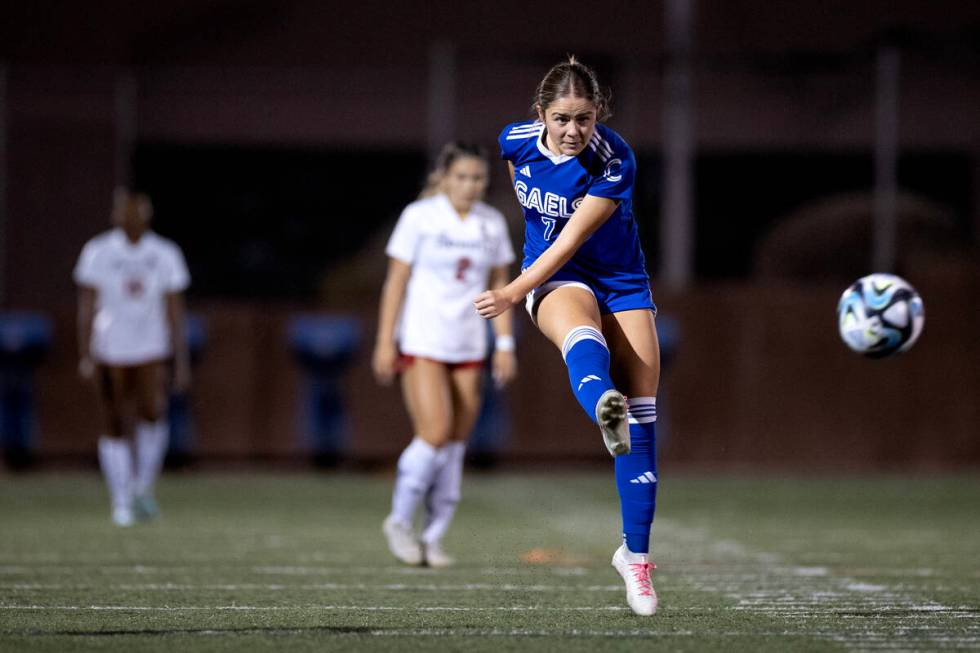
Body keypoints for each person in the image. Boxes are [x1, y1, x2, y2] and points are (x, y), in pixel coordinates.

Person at [474, 57, 661, 616]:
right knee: (582, 337)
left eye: (584, 118)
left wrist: (509, 292)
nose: (573, 131)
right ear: (541, 114)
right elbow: (538, 225)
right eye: (561, 119)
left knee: (646, 414)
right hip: (555, 278)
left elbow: (571, 237)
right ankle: (604, 402)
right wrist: (527, 285)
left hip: (621, 279)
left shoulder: (616, 158)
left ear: (598, 114)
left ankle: (636, 558)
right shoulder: (515, 140)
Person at [373, 142, 517, 567]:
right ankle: (399, 521)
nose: (470, 186)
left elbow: (500, 287)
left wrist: (504, 344)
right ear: (443, 177)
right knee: (434, 433)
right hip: (423, 340)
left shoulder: (491, 223)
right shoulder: (419, 217)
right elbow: (395, 283)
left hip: (469, 342)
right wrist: (385, 340)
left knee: (454, 446)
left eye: (478, 179)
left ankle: (431, 538)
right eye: (462, 177)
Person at [74, 188, 191, 527]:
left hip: (151, 346)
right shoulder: (98, 251)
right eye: (124, 211)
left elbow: (174, 309)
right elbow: (86, 305)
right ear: (115, 215)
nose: (130, 217)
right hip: (110, 347)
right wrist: (86, 352)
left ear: (147, 213)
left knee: (152, 411)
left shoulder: (165, 253)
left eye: (136, 210)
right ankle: (120, 500)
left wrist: (179, 360)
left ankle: (143, 487)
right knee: (112, 419)